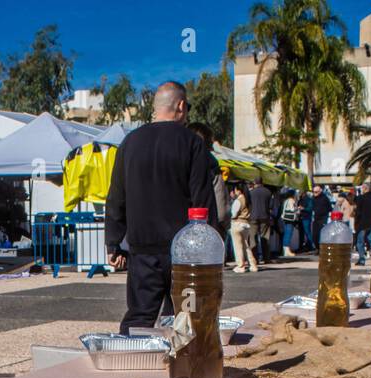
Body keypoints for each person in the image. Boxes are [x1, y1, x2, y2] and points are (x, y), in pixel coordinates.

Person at [105, 81, 218, 333]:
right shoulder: (192, 143)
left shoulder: (129, 144)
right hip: (184, 251)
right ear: (180, 106)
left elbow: (116, 198)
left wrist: (113, 243)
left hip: (142, 249)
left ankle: (130, 363)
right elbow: (203, 200)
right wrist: (213, 246)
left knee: (139, 316)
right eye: (187, 107)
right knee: (185, 317)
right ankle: (182, 367)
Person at [228, 182, 258, 273]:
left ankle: (240, 266)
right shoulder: (247, 199)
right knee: (246, 246)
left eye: (235, 189)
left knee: (238, 246)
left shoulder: (238, 200)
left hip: (237, 224)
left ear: (238, 190)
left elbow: (233, 214)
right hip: (246, 224)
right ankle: (253, 265)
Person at [353, 182, 371, 265]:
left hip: (362, 223)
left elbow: (358, 212)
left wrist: (356, 222)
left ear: (365, 188)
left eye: (362, 188)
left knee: (360, 242)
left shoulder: (360, 198)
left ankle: (362, 259)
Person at [249, 178, 273, 263]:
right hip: (265, 216)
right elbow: (271, 207)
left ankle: (254, 259)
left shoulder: (251, 193)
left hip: (253, 217)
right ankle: (266, 258)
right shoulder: (268, 192)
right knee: (265, 237)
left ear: (255, 182)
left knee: (253, 238)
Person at [311, 183, 332, 250]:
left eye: (316, 192)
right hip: (316, 218)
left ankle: (322, 249)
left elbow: (330, 208)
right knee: (315, 235)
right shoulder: (313, 198)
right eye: (313, 192)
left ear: (320, 191)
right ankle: (317, 248)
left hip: (323, 218)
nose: (314, 193)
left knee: (321, 234)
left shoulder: (325, 198)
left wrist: (325, 213)